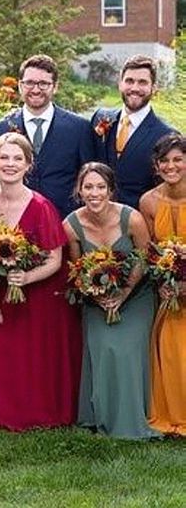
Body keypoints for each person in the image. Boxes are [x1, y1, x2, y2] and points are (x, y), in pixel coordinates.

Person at [0, 132, 80, 430]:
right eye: (4, 157)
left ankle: (41, 412)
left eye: (18, 158)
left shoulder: (41, 206)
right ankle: (5, 413)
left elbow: (55, 260)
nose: (10, 164)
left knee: (36, 357)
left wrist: (26, 277)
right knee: (4, 354)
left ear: (29, 165)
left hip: (41, 293)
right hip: (3, 295)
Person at [63, 162, 160, 439]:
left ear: (111, 190)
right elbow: (78, 269)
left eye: (101, 187)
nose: (94, 193)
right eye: (88, 187)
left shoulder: (133, 219)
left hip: (136, 295)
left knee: (127, 347)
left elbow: (144, 256)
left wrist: (124, 292)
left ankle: (133, 418)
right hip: (96, 300)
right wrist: (100, 295)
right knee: (104, 345)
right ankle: (100, 416)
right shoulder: (71, 226)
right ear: (79, 190)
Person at [0, 55, 95, 219]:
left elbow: (89, 177)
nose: (36, 89)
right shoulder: (1, 128)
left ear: (55, 87)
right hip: (14, 225)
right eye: (29, 83)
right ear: (20, 85)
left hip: (64, 221)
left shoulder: (79, 128)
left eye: (43, 83)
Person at [139, 133, 186, 436]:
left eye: (178, 160)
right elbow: (149, 251)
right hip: (169, 291)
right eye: (165, 161)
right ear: (156, 166)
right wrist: (164, 282)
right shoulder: (149, 201)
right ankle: (174, 412)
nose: (172, 166)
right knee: (170, 348)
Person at [92, 55, 174, 209]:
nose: (135, 88)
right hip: (96, 218)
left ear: (154, 88)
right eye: (129, 81)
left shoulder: (166, 135)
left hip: (139, 221)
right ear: (120, 84)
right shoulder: (101, 117)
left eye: (142, 82)